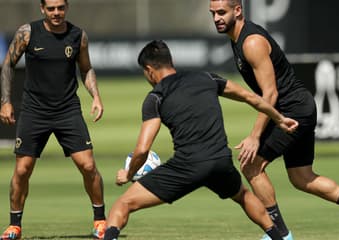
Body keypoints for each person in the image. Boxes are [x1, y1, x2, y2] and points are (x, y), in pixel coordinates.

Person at [208, 0, 339, 240]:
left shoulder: (251, 42)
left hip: (293, 111)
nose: (217, 18)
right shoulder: (237, 39)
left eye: (221, 12)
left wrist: (254, 136)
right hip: (295, 109)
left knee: (251, 165)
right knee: (302, 178)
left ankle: (280, 235)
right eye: (213, 13)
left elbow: (270, 93)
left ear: (237, 10)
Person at [103, 40, 299, 240]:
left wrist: (129, 174)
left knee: (123, 204)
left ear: (149, 70)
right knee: (243, 196)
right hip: (221, 161)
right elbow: (251, 97)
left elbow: (143, 150)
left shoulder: (156, 97)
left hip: (187, 166)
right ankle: (279, 237)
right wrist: (279, 118)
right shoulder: (207, 78)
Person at [0, 0, 106, 239]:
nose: (56, 13)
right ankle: (14, 225)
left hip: (67, 110)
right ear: (42, 9)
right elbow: (7, 65)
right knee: (22, 170)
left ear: (66, 7)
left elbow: (86, 69)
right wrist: (5, 101)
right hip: (34, 111)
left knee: (88, 166)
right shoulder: (27, 33)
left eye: (60, 7)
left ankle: (100, 220)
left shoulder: (78, 35)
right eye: (51, 8)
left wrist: (96, 96)